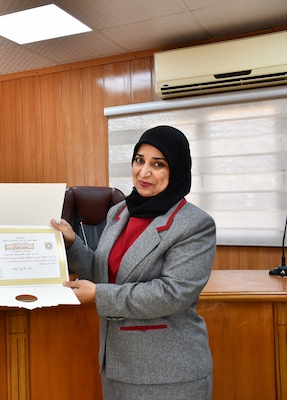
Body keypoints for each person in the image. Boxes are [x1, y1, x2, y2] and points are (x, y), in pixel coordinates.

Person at [52, 125, 216, 399]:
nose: (144, 172)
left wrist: (99, 295)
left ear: (176, 170)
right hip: (117, 365)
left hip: (169, 372)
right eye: (139, 160)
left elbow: (173, 293)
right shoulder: (120, 211)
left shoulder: (195, 224)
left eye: (158, 164)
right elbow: (105, 274)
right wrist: (71, 243)